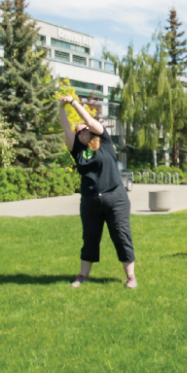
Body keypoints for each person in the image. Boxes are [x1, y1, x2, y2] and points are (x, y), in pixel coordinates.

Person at [59, 95, 137, 289]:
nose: (82, 131)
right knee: (90, 238)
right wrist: (61, 107)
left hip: (115, 198)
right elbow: (66, 128)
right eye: (79, 132)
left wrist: (73, 103)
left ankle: (131, 277)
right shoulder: (77, 151)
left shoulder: (104, 141)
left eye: (85, 129)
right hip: (90, 202)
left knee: (121, 235)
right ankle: (83, 276)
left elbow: (89, 121)